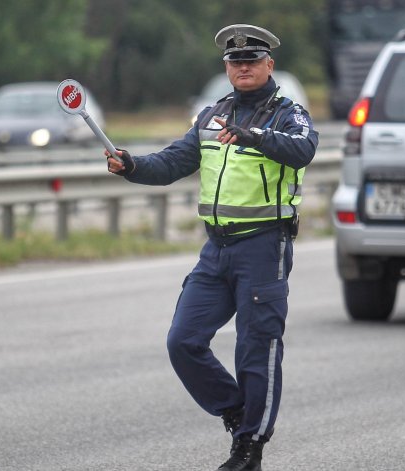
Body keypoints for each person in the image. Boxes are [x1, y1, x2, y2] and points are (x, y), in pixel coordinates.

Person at [106, 24, 318, 470]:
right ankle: (239, 412)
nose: (243, 67)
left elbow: (304, 150)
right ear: (227, 68)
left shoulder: (287, 112)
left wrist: (254, 136)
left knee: (255, 348)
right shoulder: (211, 115)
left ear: (268, 65)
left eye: (252, 61)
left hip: (264, 246)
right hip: (216, 250)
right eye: (236, 62)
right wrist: (131, 166)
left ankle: (249, 448)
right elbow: (172, 163)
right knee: (183, 341)